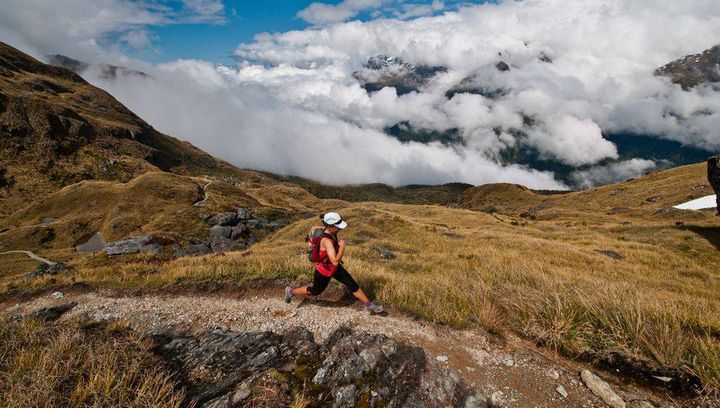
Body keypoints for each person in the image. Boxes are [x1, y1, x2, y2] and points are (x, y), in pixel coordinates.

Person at [285, 212, 384, 313]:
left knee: (352, 284)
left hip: (335, 269)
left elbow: (314, 227)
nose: (340, 229)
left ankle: (369, 305)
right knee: (315, 291)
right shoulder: (327, 241)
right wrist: (342, 247)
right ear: (330, 226)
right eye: (338, 227)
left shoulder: (330, 231)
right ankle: (291, 291)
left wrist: (310, 241)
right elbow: (335, 261)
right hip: (324, 271)